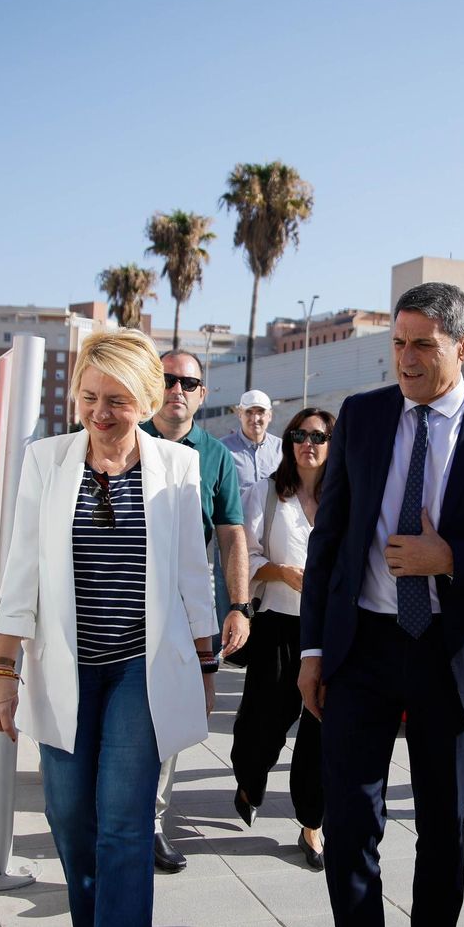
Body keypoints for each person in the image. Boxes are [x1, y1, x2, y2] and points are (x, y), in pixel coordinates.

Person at [298, 282, 464, 927]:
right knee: (352, 825)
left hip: (451, 654)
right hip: (362, 649)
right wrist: (311, 652)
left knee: (444, 829)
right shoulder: (362, 415)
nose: (406, 360)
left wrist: (452, 558)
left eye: (423, 345)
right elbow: (329, 542)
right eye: (398, 343)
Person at [0, 328, 217, 927]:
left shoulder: (178, 466)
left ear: (145, 400)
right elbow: (21, 571)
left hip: (138, 674)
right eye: (89, 397)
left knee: (124, 826)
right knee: (70, 821)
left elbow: (195, 574)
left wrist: (205, 662)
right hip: (65, 670)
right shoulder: (48, 461)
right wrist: (2, 669)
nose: (100, 414)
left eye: (117, 400)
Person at [140, 348, 252, 872]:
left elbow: (232, 535)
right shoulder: (125, 436)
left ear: (203, 395)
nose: (176, 390)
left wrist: (239, 606)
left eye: (188, 382)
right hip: (117, 605)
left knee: (171, 721)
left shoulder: (215, 456)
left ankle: (150, 824)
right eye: (167, 379)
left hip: (186, 612)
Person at [231, 407, 335, 871]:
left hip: (330, 631)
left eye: (318, 435)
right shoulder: (265, 495)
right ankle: (250, 780)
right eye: (298, 434)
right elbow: (242, 558)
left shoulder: (347, 498)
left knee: (320, 727)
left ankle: (312, 821)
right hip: (278, 625)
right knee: (263, 724)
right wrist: (279, 572)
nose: (307, 443)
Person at [223, 389, 283, 494]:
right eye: (249, 412)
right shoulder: (223, 449)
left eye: (261, 412)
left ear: (270, 415)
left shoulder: (281, 449)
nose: (255, 419)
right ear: (240, 414)